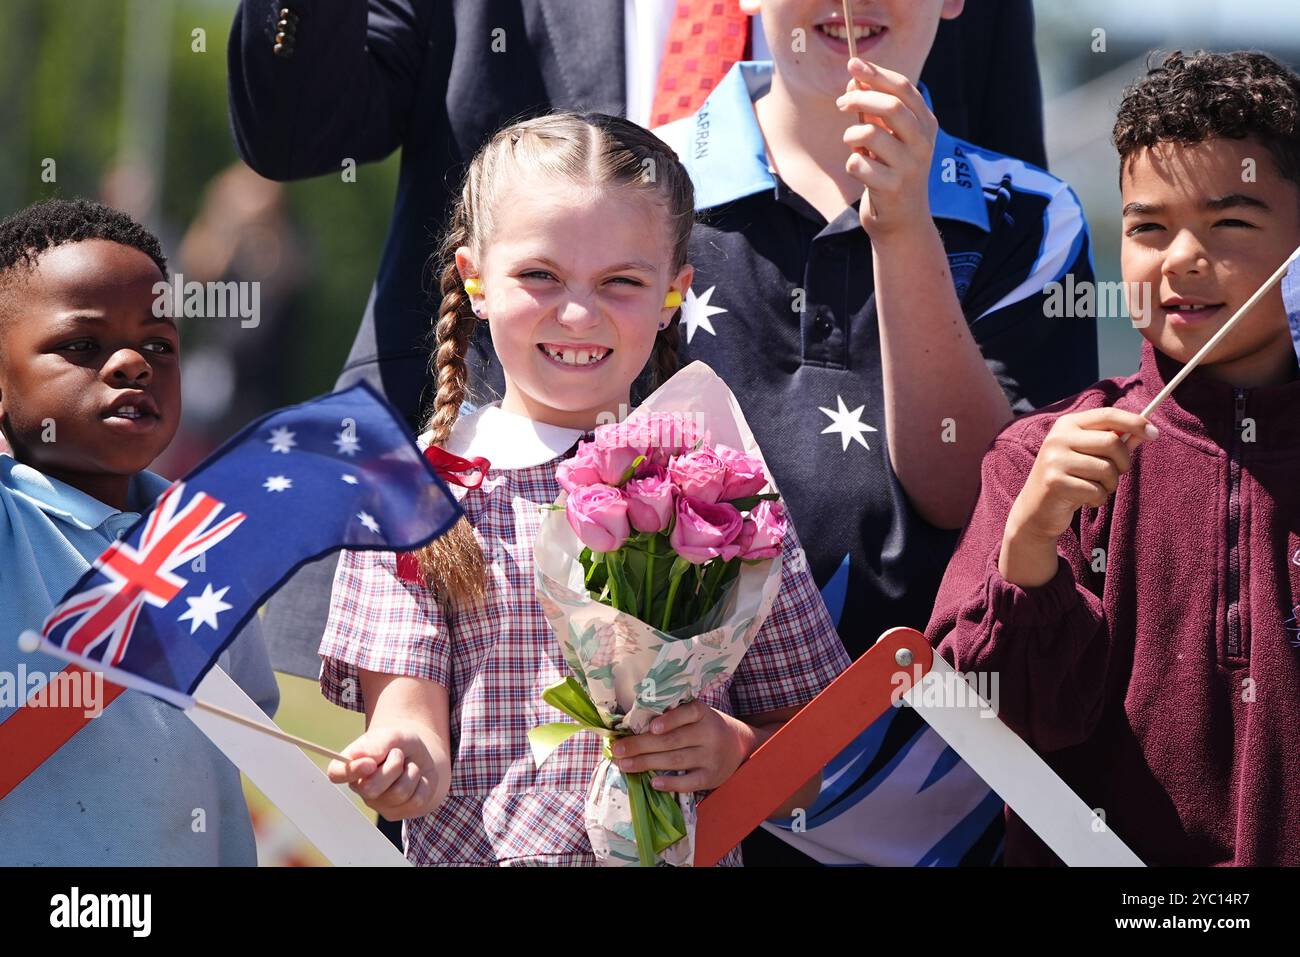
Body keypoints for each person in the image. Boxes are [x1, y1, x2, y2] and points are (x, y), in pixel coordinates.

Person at [226, 0, 1053, 680]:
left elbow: (998, 224)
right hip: (490, 565)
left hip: (884, 665)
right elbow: (297, 131)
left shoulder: (1011, 192)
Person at [316, 112, 850, 865]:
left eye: (621, 282)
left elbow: (805, 761)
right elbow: (410, 723)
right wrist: (399, 762)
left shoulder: (723, 484)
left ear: (675, 291)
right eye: (539, 274)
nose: (576, 312)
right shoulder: (412, 494)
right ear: (474, 278)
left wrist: (733, 748)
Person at [649, 0, 1098, 864]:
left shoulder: (1035, 217)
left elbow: (975, 498)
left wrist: (902, 225)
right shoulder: (631, 186)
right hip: (678, 789)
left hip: (953, 806)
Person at [927, 50, 1300, 865]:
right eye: (1147, 227)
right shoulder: (1042, 459)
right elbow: (987, 726)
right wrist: (1028, 549)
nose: (1180, 259)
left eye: (1231, 222)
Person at [0, 199, 278, 865]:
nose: (132, 362)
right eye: (81, 345)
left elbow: (250, 733)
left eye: (158, 344)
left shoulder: (206, 541)